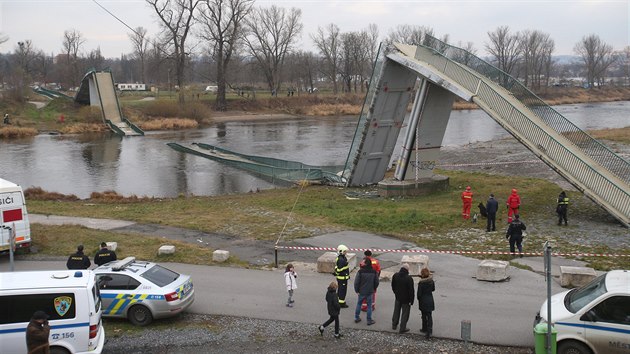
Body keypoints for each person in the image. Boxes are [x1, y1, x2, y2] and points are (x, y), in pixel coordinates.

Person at [353, 257, 379, 325]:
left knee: (359, 304)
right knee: (369, 306)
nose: (362, 263)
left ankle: (356, 317)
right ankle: (369, 320)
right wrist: (374, 288)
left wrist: (357, 290)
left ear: (366, 263)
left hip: (361, 291)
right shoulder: (374, 272)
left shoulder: (360, 272)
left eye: (363, 262)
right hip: (370, 291)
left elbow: (356, 282)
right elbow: (376, 282)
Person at [391, 263, 414, 334]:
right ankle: (402, 328)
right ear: (407, 269)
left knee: (396, 311)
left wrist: (396, 293)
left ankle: (394, 325)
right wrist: (411, 300)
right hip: (406, 300)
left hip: (398, 297)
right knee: (405, 314)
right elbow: (411, 291)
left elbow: (393, 286)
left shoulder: (395, 275)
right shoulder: (409, 278)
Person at [417, 267, 435, 340]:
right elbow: (433, 289)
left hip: (423, 301)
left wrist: (419, 299)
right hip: (430, 300)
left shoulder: (421, 283)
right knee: (429, 316)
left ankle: (424, 328)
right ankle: (429, 330)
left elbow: (419, 294)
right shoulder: (431, 281)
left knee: (424, 316)